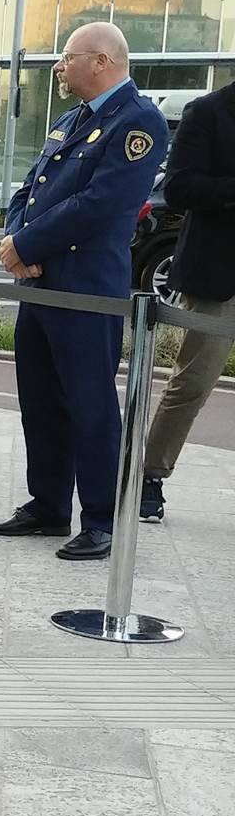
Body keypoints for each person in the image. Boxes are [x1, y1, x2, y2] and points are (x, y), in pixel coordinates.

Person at [0, 22, 168, 561]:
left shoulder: (138, 121)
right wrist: (16, 241)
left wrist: (28, 242)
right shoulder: (72, 120)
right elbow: (31, 187)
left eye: (67, 57)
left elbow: (103, 204)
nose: (60, 67)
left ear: (101, 61)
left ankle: (101, 520)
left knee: (90, 405)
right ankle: (47, 504)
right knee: (40, 400)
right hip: (40, 283)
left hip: (86, 289)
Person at [140, 82, 235, 522]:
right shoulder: (208, 112)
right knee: (193, 383)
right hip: (219, 275)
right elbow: (178, 187)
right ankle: (149, 476)